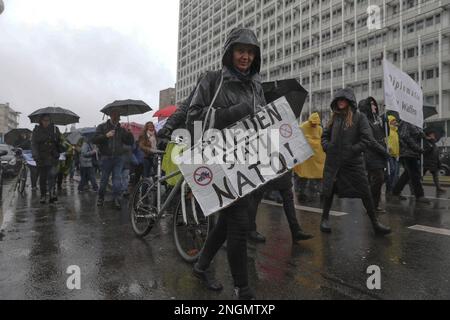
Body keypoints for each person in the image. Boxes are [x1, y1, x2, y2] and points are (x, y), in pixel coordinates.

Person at [187, 28, 266, 300]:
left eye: (250, 52)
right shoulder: (211, 80)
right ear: (230, 52)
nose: (245, 56)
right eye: (240, 50)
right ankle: (242, 289)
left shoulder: (257, 86)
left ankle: (201, 266)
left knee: (227, 221)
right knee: (240, 222)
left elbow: (262, 123)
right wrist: (232, 113)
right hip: (219, 161)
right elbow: (193, 119)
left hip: (247, 161)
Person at [320, 88, 391, 236]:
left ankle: (375, 223)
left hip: (353, 163)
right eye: (338, 100)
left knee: (365, 191)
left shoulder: (359, 118)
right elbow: (324, 136)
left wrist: (352, 150)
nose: (340, 102)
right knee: (330, 189)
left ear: (349, 101)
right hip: (334, 162)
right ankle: (324, 219)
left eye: (343, 99)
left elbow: (367, 139)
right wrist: (328, 146)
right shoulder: (333, 118)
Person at [248, 172, 314, 244]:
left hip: (281, 165)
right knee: (257, 194)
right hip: (265, 164)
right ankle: (251, 230)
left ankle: (296, 230)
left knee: (287, 193)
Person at [92, 111, 134, 210]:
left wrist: (129, 133)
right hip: (106, 157)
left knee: (117, 181)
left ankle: (117, 199)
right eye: (114, 116)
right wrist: (106, 136)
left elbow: (130, 142)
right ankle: (101, 197)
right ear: (110, 116)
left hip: (118, 158)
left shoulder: (122, 129)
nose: (116, 118)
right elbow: (94, 140)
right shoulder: (102, 127)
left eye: (118, 117)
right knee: (104, 180)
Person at [358, 97, 391, 213]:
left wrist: (386, 123)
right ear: (367, 106)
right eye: (372, 104)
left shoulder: (377, 119)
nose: (375, 107)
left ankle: (374, 205)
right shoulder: (365, 120)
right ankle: (370, 204)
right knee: (378, 179)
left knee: (379, 180)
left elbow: (385, 134)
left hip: (380, 153)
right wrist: (384, 151)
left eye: (375, 104)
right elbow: (370, 140)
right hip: (371, 154)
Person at [392, 121, 430, 204]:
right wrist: (417, 148)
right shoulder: (406, 122)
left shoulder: (413, 124)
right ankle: (419, 195)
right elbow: (404, 136)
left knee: (407, 175)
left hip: (412, 153)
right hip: (408, 153)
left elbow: (413, 136)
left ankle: (395, 192)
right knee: (415, 174)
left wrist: (421, 135)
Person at [31, 115, 64, 204]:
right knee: (43, 177)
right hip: (41, 157)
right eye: (44, 120)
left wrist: (58, 140)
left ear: (50, 121)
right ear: (41, 121)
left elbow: (60, 141)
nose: (46, 122)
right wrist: (35, 156)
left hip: (53, 157)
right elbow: (34, 144)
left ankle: (52, 194)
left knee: (52, 176)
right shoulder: (37, 130)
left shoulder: (55, 129)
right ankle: (43, 195)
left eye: (48, 120)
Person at [294, 112, 325, 203]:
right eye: (313, 123)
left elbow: (322, 139)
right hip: (306, 157)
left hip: (316, 156)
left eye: (316, 124)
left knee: (318, 175)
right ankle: (302, 194)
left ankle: (318, 193)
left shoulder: (319, 129)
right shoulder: (303, 127)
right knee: (303, 175)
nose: (314, 125)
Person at [386, 115, 400, 196]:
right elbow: (385, 139)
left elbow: (397, 144)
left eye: (395, 120)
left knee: (396, 173)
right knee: (392, 170)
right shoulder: (387, 130)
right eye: (393, 120)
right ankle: (389, 188)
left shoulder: (396, 132)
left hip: (396, 155)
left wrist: (398, 154)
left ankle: (393, 189)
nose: (395, 122)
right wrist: (388, 146)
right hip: (389, 154)